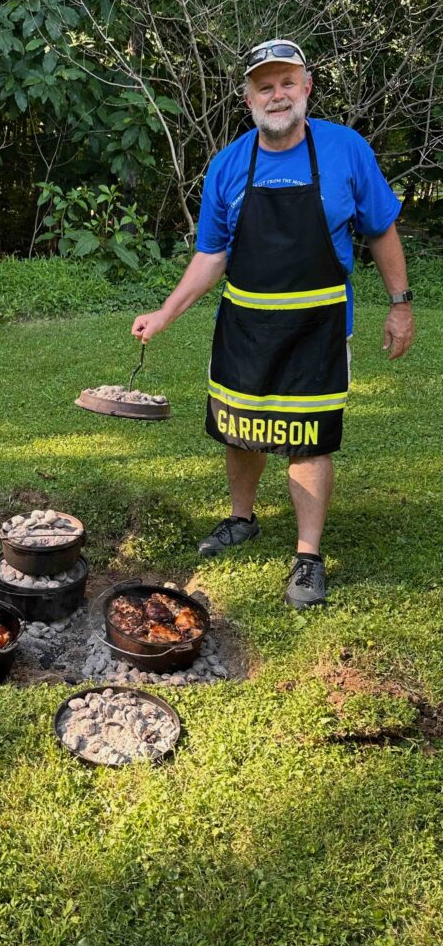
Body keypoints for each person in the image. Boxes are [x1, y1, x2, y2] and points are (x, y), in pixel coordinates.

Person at [132, 39, 414, 609]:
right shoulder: (228, 164)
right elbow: (212, 254)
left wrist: (400, 303)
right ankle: (242, 519)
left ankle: (307, 555)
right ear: (248, 98)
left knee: (308, 438)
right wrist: (166, 311)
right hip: (246, 326)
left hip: (319, 326)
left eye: (287, 83)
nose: (277, 95)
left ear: (307, 88)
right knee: (240, 426)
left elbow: (380, 229)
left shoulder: (345, 150)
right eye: (265, 85)